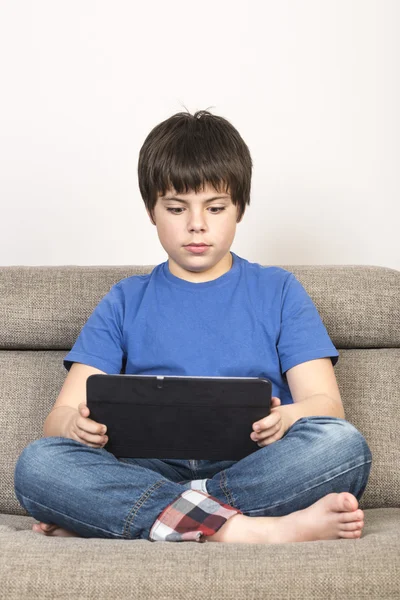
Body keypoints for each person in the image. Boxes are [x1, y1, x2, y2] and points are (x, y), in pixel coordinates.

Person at [14, 109, 372, 544]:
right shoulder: (125, 299)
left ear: (239, 208)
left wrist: (290, 416)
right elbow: (58, 419)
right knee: (39, 464)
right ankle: (244, 529)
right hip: (146, 465)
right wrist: (74, 426)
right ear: (151, 211)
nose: (197, 224)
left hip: (253, 464)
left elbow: (328, 406)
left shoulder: (279, 290)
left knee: (343, 447)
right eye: (177, 208)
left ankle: (157, 512)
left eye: (215, 207)